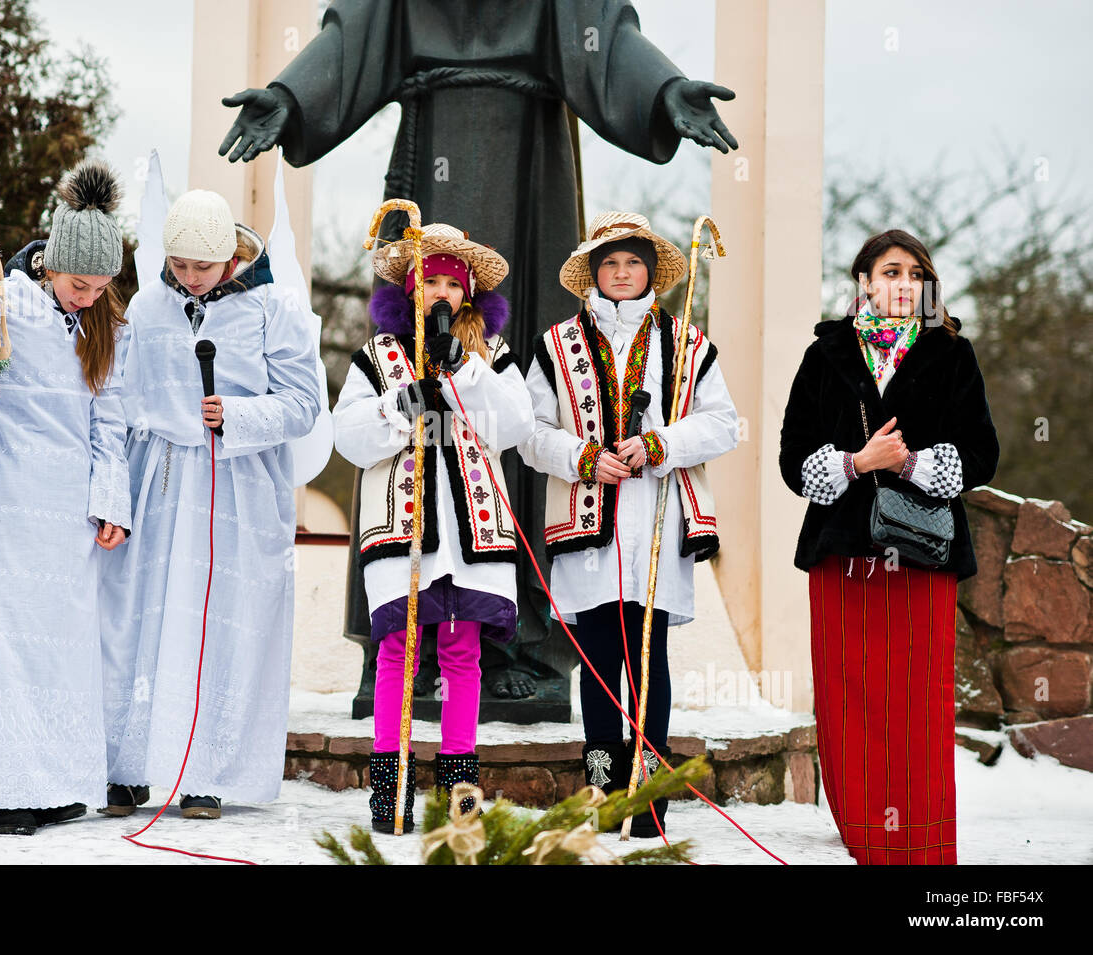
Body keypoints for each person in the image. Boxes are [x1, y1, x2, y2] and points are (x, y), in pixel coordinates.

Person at [221, 0, 740, 701]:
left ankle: (516, 636)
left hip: (533, 161)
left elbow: (605, 38)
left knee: (518, 375)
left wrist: (662, 90)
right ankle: (400, 644)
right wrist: (290, 98)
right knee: (415, 389)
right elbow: (354, 38)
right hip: (433, 140)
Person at [0, 159, 131, 836]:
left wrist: (112, 503)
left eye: (101, 287)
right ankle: (6, 789)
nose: (89, 297)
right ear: (50, 265)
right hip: (4, 511)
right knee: (4, 650)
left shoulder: (102, 326)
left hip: (68, 520)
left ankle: (56, 783)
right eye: (79, 284)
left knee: (61, 655)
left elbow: (111, 420)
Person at [779, 229, 999, 865]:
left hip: (923, 554)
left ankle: (923, 847)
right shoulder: (825, 356)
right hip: (842, 553)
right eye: (891, 272)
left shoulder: (952, 354)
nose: (904, 286)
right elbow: (795, 460)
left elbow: (983, 453)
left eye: (914, 276)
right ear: (865, 282)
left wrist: (910, 466)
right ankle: (866, 838)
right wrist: (858, 461)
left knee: (918, 697)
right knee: (850, 694)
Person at [99, 189, 321, 820]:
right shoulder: (146, 304)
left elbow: (305, 404)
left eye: (202, 266)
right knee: (139, 620)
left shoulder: (273, 307)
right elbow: (116, 392)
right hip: (159, 480)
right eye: (178, 265)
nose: (189, 279)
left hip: (238, 486)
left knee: (218, 625)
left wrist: (242, 414)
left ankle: (204, 772)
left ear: (229, 257)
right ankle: (129, 767)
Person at [518, 211, 738, 837]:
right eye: (609, 263)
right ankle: (601, 790)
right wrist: (583, 457)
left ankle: (648, 800)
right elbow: (530, 432)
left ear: (651, 273)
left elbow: (721, 422)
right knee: (596, 660)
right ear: (593, 272)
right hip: (588, 524)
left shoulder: (688, 343)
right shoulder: (556, 344)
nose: (621, 273)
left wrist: (661, 443)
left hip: (657, 523)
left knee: (650, 661)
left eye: (632, 262)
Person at [332, 223, 534, 833]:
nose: (441, 291)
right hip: (404, 525)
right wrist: (402, 404)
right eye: (431, 282)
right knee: (396, 649)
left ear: (468, 294)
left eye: (452, 282)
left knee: (461, 650)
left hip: (471, 527)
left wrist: (465, 378)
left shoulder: (491, 355)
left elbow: (514, 428)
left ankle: (461, 804)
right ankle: (390, 793)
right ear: (410, 292)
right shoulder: (378, 356)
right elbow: (348, 436)